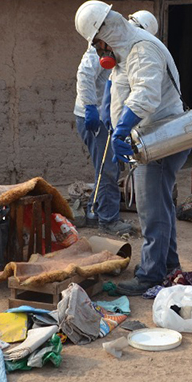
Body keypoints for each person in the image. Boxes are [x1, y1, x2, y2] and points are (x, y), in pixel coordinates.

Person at [75, 0, 188, 295]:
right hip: (150, 135)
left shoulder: (142, 49)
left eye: (98, 44)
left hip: (159, 137)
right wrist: (113, 119)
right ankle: (169, 266)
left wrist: (122, 129)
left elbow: (145, 95)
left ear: (107, 32)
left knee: (151, 211)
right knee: (161, 205)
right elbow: (121, 88)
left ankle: (151, 275)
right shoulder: (125, 51)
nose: (99, 51)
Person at [73, 35, 133, 237]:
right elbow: (84, 75)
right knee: (108, 167)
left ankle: (95, 211)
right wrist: (90, 106)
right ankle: (108, 219)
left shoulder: (124, 49)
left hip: (106, 115)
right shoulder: (99, 48)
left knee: (105, 166)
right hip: (95, 116)